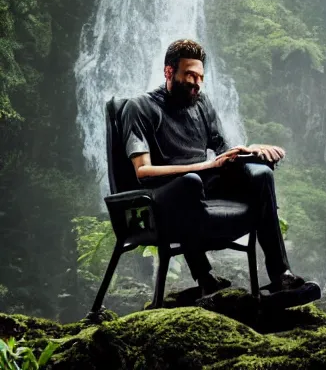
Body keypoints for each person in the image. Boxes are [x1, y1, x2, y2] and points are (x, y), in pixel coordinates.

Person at [121, 39, 306, 295]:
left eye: (200, 77)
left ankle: (281, 275)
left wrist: (252, 151)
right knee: (190, 183)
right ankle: (206, 278)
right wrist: (203, 166)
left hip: (204, 189)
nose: (196, 83)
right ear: (168, 72)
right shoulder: (140, 108)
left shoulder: (202, 104)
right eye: (189, 75)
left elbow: (224, 153)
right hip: (162, 200)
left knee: (261, 173)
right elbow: (143, 171)